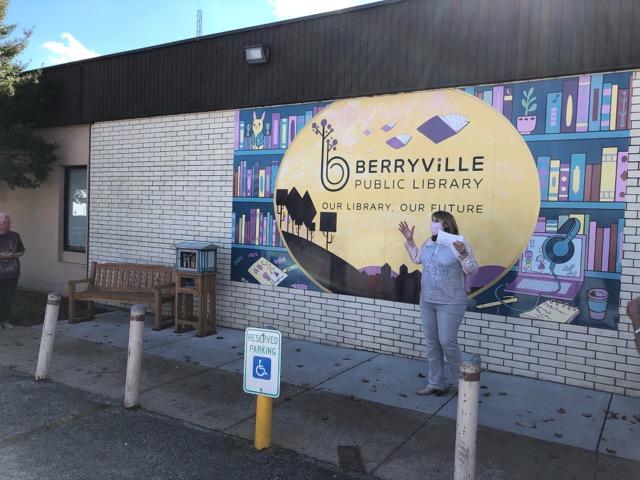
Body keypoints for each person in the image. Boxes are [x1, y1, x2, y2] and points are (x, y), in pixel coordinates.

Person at [399, 211, 478, 395]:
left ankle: (464, 382)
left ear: (446, 224)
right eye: (432, 221)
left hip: (451, 302)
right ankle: (435, 382)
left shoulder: (459, 244)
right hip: (427, 300)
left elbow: (472, 270)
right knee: (432, 343)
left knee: (447, 342)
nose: (433, 224)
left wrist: (463, 253)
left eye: (436, 221)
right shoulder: (429, 242)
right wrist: (410, 240)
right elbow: (417, 259)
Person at [0, 213, 25, 329]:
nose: (5, 225)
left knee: (8, 298)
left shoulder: (15, 236)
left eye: (7, 223)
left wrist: (13, 255)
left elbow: (21, 251)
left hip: (12, 273)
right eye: (2, 223)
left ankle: (5, 320)